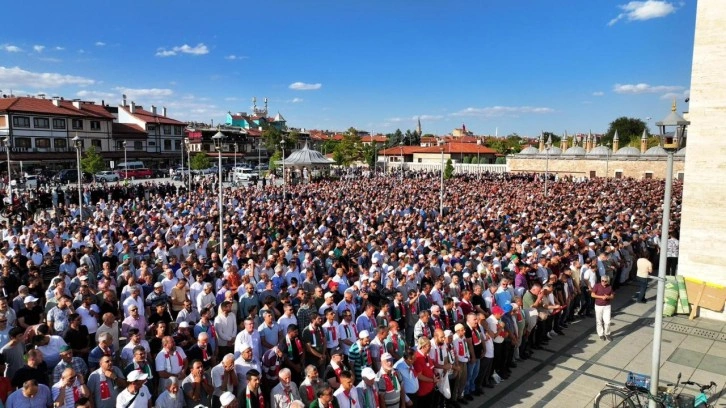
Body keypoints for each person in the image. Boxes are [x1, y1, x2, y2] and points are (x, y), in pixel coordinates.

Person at [592, 275, 614, 341]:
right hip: (598, 306)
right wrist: (601, 297)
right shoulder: (597, 286)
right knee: (599, 321)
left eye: (605, 281)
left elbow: (612, 296)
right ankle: (600, 334)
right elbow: (592, 294)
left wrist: (608, 297)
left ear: (608, 281)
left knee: (607, 321)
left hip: (607, 306)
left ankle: (607, 333)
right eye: (602, 281)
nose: (604, 282)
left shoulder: (609, 287)